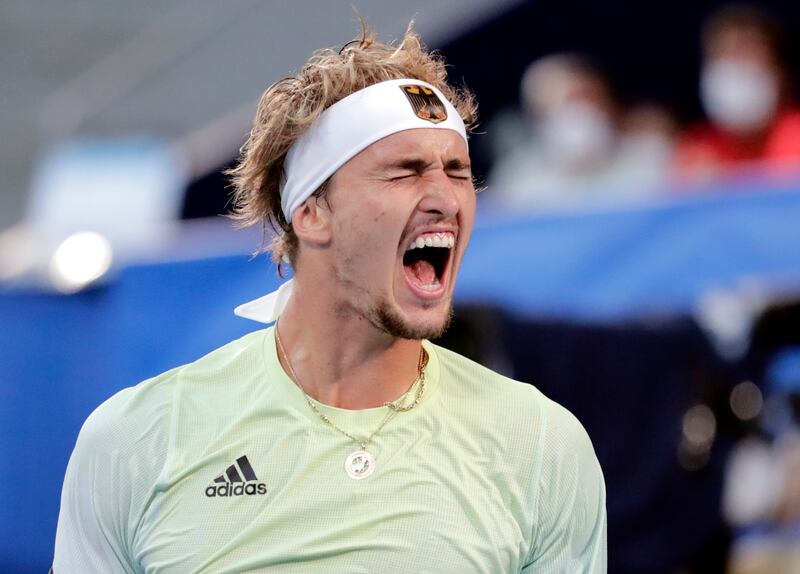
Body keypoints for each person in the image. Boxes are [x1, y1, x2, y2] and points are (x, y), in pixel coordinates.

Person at [52, 24, 606, 573]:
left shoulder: (542, 445)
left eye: (457, 171)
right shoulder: (135, 440)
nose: (445, 198)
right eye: (405, 172)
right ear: (312, 213)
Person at [488, 53, 670, 212]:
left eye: (583, 99)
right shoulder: (517, 182)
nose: (576, 113)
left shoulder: (653, 158)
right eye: (556, 103)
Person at [675, 4, 800, 181]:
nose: (735, 68)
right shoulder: (696, 152)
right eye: (722, 56)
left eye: (746, 53)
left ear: (780, 72)